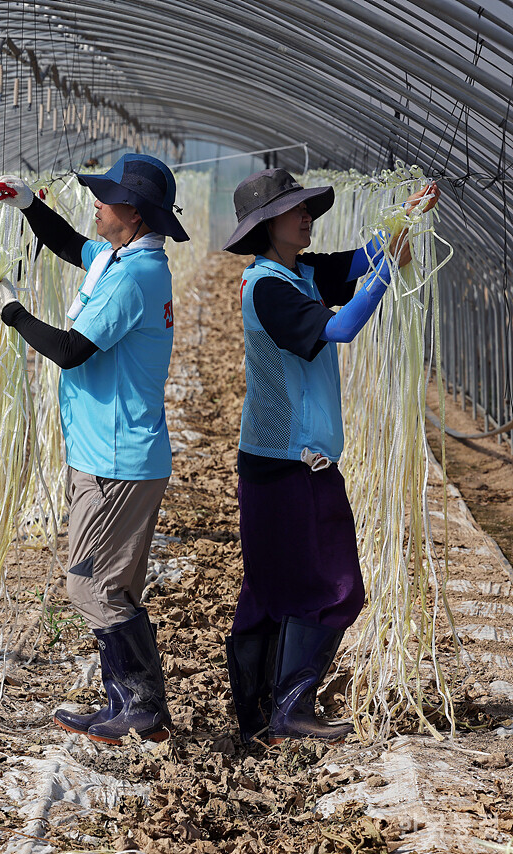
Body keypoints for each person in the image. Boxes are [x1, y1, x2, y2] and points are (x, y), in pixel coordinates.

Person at [221, 168, 439, 744]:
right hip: (290, 460)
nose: (307, 216)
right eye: (295, 210)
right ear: (267, 225)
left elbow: (363, 257)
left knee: (273, 585)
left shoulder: (303, 271)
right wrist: (389, 272)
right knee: (336, 584)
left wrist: (407, 216)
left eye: (308, 207)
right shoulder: (268, 287)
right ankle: (288, 708)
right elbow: (341, 328)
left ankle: (262, 714)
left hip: (282, 458)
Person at [0, 154, 189, 744]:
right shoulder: (124, 259)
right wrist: (28, 203)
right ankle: (131, 704)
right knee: (112, 586)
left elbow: (73, 350)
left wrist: (10, 311)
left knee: (89, 586)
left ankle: (141, 704)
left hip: (117, 460)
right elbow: (71, 243)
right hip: (111, 452)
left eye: (105, 197)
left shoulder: (133, 278)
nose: (96, 204)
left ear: (132, 212)